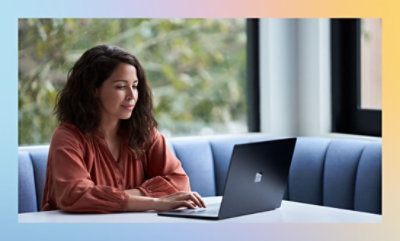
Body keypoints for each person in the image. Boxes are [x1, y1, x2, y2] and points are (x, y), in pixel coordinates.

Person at [41, 45, 205, 213]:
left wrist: (113, 197)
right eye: (120, 86)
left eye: (134, 86)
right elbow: (75, 195)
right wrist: (156, 202)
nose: (131, 95)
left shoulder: (143, 131)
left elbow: (179, 182)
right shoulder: (68, 136)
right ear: (94, 90)